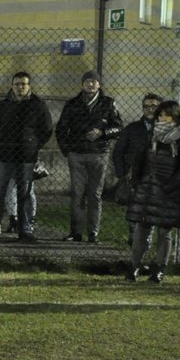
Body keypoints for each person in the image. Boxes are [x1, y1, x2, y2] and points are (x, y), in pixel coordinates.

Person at [124, 100, 180, 283]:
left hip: (169, 192)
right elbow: (140, 160)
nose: (162, 118)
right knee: (141, 229)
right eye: (159, 115)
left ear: (175, 116)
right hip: (147, 189)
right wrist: (137, 181)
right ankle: (133, 267)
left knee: (164, 232)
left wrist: (170, 186)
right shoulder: (151, 135)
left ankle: (159, 270)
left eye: (166, 115)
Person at [0, 72, 52, 242]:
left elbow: (46, 129)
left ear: (29, 86)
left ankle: (25, 230)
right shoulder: (3, 105)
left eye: (23, 84)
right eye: (17, 84)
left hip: (26, 156)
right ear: (12, 85)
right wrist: (3, 141)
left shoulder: (38, 105)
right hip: (4, 154)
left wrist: (32, 144)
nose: (20, 87)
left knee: (24, 193)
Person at [54, 70, 122, 242]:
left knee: (95, 194)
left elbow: (119, 127)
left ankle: (93, 233)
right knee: (77, 194)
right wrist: (67, 151)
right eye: (87, 81)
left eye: (94, 81)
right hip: (77, 155)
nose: (91, 84)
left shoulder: (108, 103)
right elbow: (61, 128)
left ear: (99, 84)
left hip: (99, 154)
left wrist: (102, 132)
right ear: (82, 84)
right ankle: (76, 232)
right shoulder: (72, 104)